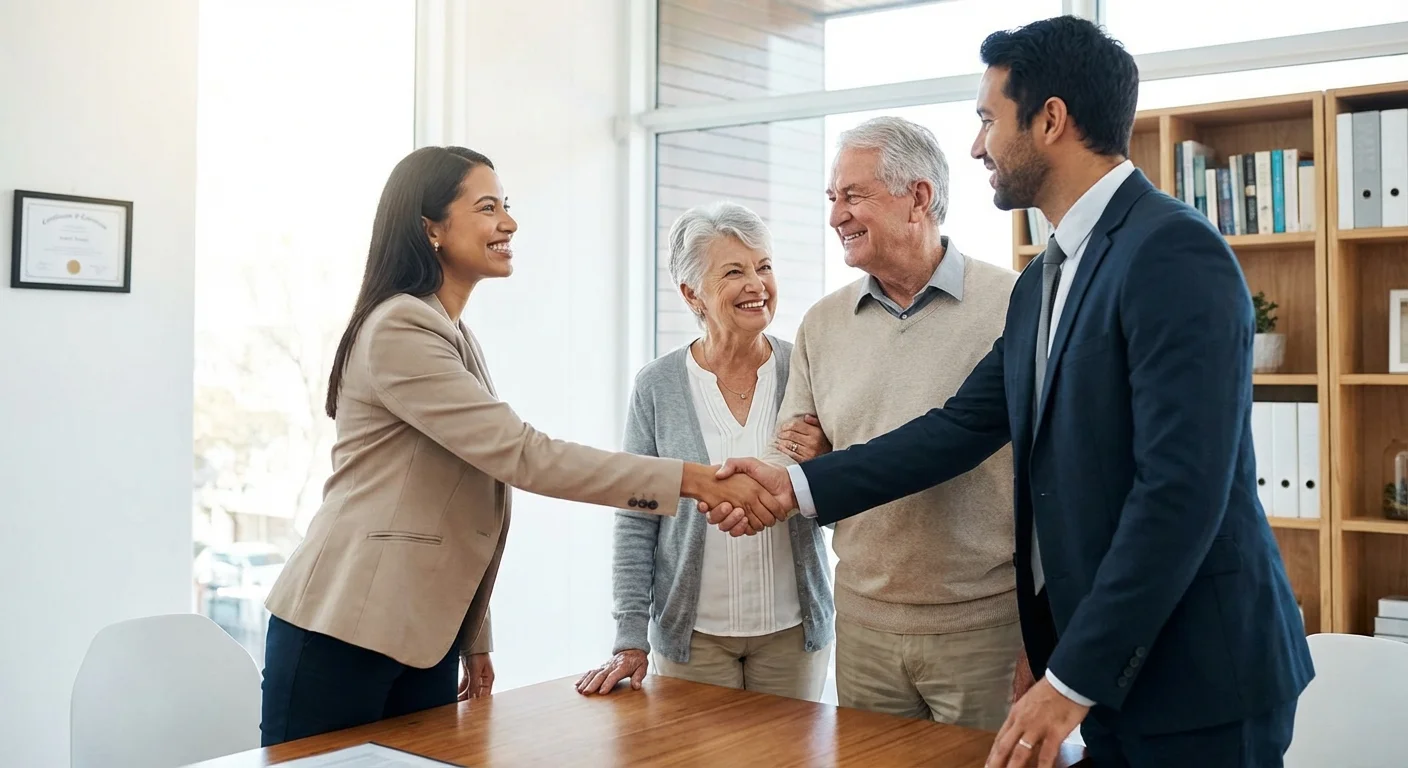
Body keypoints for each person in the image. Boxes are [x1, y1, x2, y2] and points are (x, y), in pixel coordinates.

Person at [705, 16, 1314, 768]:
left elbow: (1180, 492)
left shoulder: (1172, 250)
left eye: (988, 119)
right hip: (1113, 671)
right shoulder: (1045, 278)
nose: (976, 145)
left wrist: (1070, 675)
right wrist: (794, 484)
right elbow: (957, 427)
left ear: (1050, 119)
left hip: (1201, 675)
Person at [258, 146, 787, 747]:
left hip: (421, 632)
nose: (509, 222)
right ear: (430, 227)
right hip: (346, 627)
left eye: (506, 206)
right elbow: (522, 455)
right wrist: (691, 480)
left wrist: (472, 636)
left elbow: (460, 501)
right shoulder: (401, 328)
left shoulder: (452, 331)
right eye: (488, 207)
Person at [756, 116, 1022, 729]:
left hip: (986, 628)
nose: (835, 216)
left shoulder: (1015, 304)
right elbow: (789, 450)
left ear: (919, 198)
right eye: (832, 199)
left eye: (853, 196)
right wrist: (758, 477)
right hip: (864, 625)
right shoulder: (821, 324)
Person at [574, 202, 836, 701]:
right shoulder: (657, 385)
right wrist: (630, 635)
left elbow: (842, 489)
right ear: (692, 292)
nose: (756, 284)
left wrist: (824, 460)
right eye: (734, 271)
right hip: (692, 639)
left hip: (792, 633)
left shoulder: (804, 367)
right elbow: (636, 513)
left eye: (764, 267)